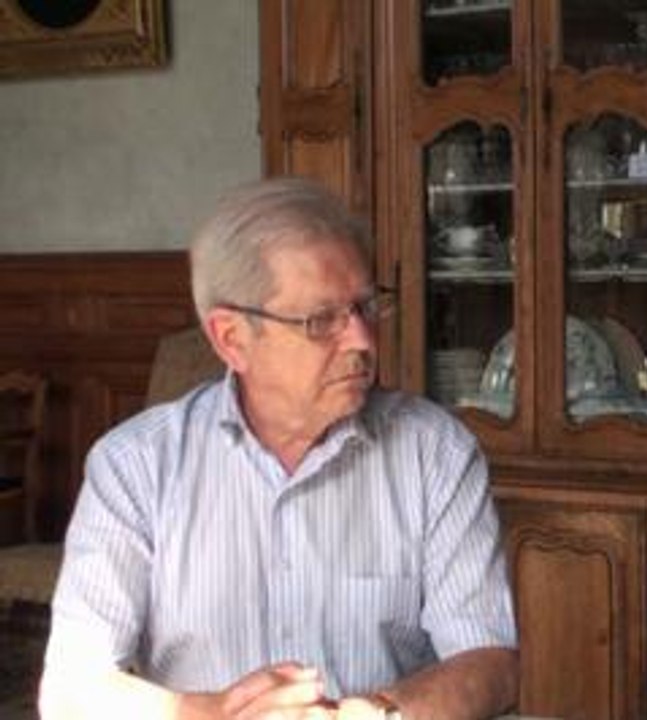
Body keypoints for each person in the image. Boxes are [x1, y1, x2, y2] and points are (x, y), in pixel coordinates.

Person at [40, 177, 519, 720]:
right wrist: (212, 713)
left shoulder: (435, 454)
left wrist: (379, 712)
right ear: (231, 338)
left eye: (366, 308)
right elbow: (72, 688)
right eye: (322, 321)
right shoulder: (135, 467)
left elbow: (491, 661)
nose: (362, 340)